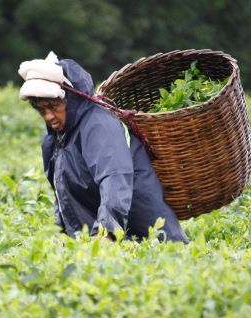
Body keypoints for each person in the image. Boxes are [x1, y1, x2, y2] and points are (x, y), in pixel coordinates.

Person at [19, 52, 188, 243]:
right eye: (41, 110)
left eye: (53, 106)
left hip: (152, 242)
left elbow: (114, 178)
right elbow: (63, 194)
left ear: (70, 99)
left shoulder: (98, 125)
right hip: (104, 245)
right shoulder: (56, 139)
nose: (48, 116)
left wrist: (106, 232)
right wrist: (62, 235)